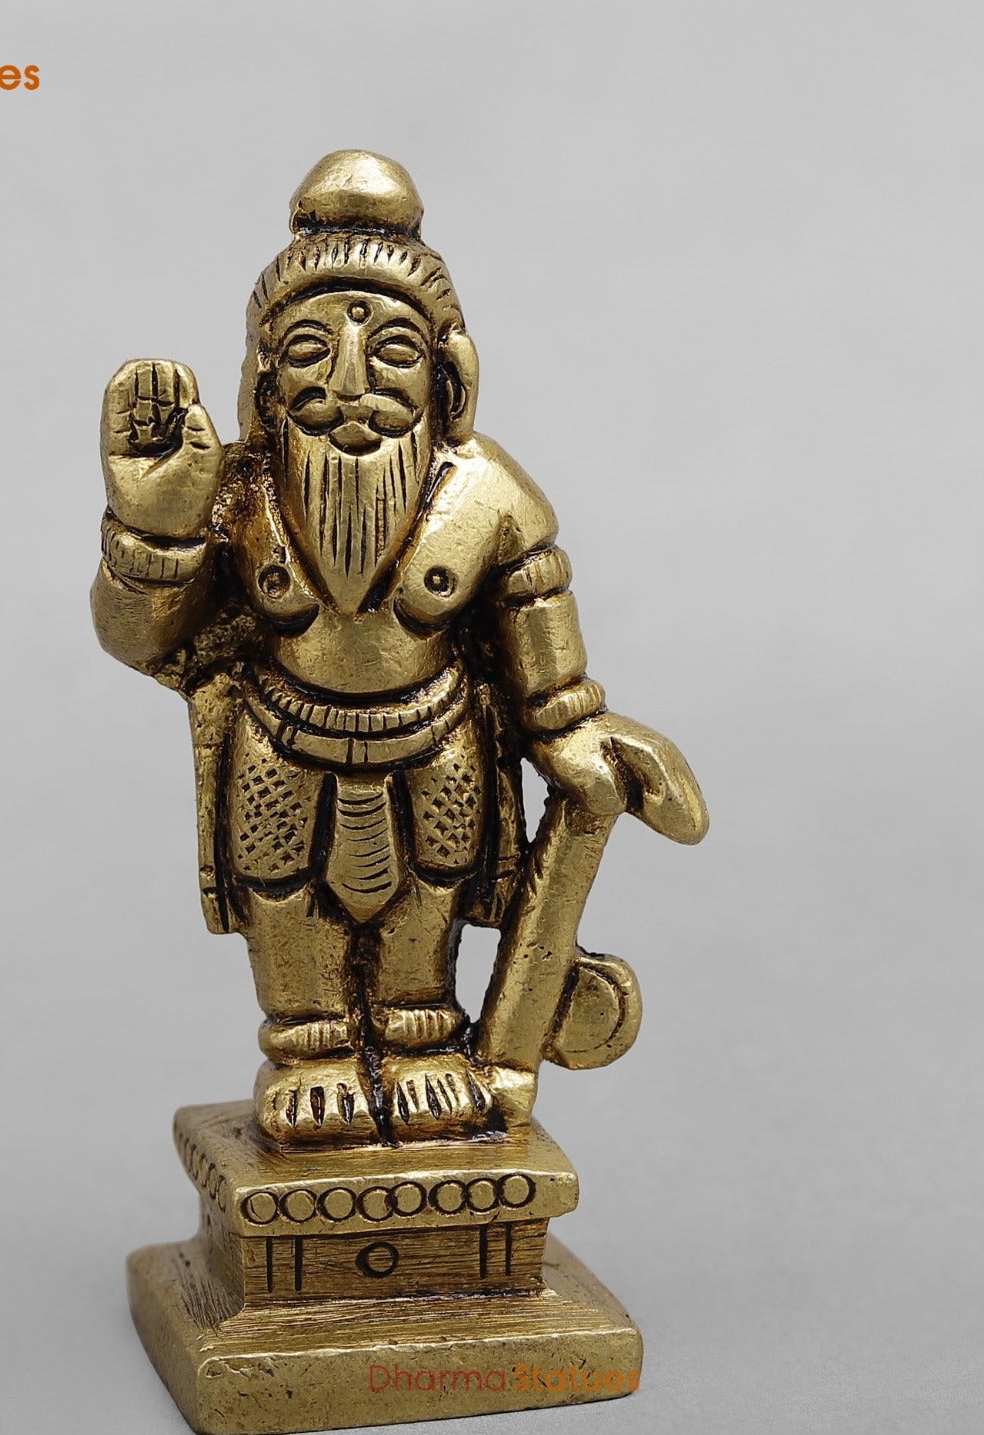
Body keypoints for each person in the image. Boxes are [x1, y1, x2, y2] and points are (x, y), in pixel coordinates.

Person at [93, 150, 701, 1147]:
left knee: (435, 883)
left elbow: (538, 622)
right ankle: (313, 1049)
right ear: (261, 381)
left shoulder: (486, 492)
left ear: (448, 375)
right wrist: (154, 535)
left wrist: (567, 729)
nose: (347, 387)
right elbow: (145, 642)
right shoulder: (238, 491)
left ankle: (420, 1040)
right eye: (308, 352)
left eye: (390, 355)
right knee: (283, 892)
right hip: (279, 739)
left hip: (438, 734)